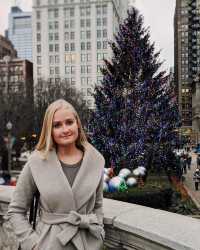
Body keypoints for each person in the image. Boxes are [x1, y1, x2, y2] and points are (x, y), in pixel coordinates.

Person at [6, 99, 105, 250]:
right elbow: (16, 210)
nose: (65, 129)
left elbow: (97, 205)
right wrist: (33, 244)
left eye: (69, 122)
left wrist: (99, 233)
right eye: (57, 125)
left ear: (77, 123)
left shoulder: (96, 160)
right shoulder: (36, 162)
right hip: (49, 244)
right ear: (49, 130)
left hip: (87, 243)